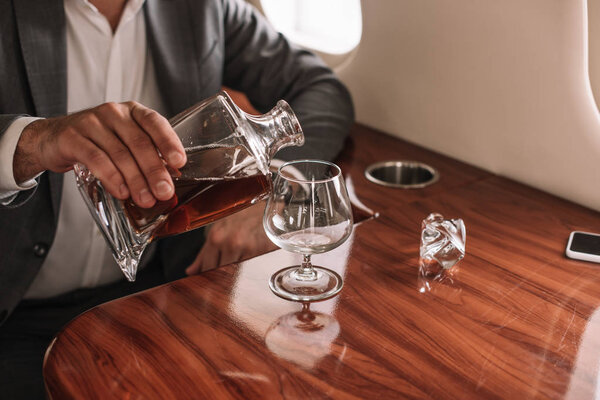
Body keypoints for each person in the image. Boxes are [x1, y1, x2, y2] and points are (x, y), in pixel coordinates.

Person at [0, 0, 354, 397]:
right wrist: (33, 143)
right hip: (14, 315)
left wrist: (281, 186)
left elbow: (322, 87)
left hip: (154, 295)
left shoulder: (202, 8)